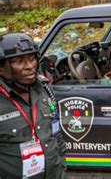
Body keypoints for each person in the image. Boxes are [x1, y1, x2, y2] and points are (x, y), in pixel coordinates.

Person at [0, 33, 66, 178]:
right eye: (19, 61)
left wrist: (61, 168)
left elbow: (56, 135)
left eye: (32, 59)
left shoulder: (45, 89)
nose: (29, 66)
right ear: (2, 68)